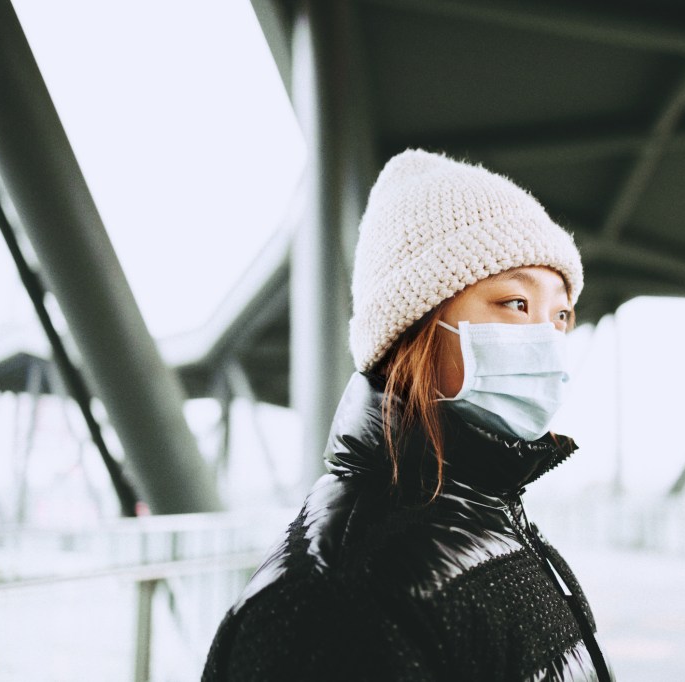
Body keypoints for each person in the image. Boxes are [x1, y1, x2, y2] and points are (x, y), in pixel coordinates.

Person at [202, 149, 614, 681]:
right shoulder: (337, 598)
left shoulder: (491, 519)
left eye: (560, 315)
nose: (548, 339)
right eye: (515, 302)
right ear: (414, 327)